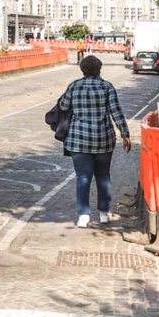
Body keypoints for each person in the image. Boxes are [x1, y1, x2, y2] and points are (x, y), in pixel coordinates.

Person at [58, 55, 131, 228]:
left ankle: (83, 215)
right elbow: (116, 112)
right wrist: (125, 134)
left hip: (78, 140)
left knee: (83, 177)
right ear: (99, 69)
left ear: (82, 69)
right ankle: (105, 213)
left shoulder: (74, 86)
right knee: (103, 176)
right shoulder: (107, 87)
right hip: (103, 139)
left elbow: (63, 106)